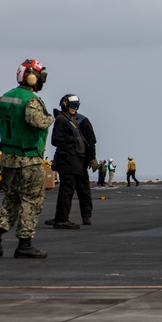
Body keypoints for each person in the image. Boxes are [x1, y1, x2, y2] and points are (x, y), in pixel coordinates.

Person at [0, 59, 53, 259]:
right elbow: (36, 121)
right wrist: (50, 118)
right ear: (31, 77)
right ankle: (24, 244)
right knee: (32, 200)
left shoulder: (5, 97)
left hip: (8, 159)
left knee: (12, 197)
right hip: (29, 158)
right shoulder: (31, 100)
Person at [45, 94, 97, 229]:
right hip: (71, 160)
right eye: (73, 105)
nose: (75, 108)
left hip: (79, 161)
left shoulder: (81, 120)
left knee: (79, 189)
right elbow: (57, 141)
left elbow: (90, 141)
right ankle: (62, 218)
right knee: (68, 189)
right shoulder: (63, 120)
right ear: (65, 105)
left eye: (77, 106)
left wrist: (91, 158)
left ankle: (83, 216)